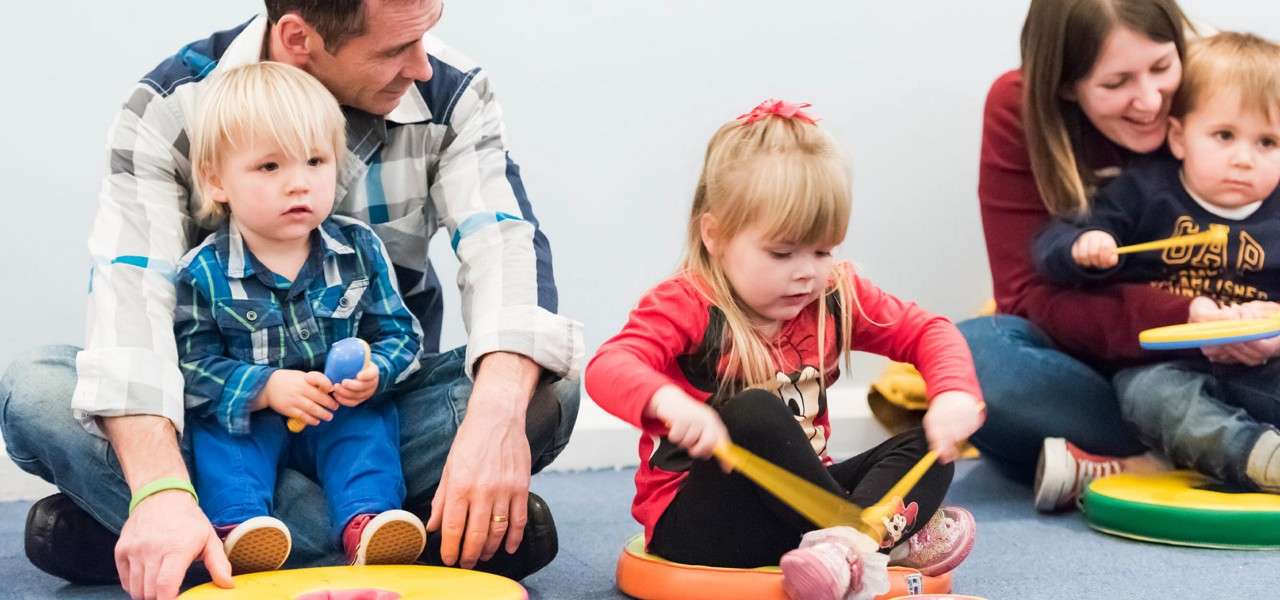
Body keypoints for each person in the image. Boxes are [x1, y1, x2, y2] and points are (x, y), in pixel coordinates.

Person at [0, 1, 583, 597]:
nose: (424, 67)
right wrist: (159, 487)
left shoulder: (451, 93)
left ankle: (176, 544)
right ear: (299, 37)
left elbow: (504, 244)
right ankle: (407, 543)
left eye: (427, 37)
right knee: (35, 390)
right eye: (392, 51)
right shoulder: (170, 109)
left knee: (546, 384)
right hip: (220, 421)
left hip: (365, 416)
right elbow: (130, 298)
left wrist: (493, 420)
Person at [584, 100, 984, 600]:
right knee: (753, 411)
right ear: (716, 235)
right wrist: (668, 404)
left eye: (823, 250)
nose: (807, 272)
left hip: (804, 517)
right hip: (705, 522)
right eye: (782, 252)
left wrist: (952, 395)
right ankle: (873, 539)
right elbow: (608, 366)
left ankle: (846, 547)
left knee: (930, 446)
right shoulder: (687, 303)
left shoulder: (835, 295)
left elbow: (929, 331)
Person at [960, 0, 1280, 495]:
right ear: (1067, 85)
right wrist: (1184, 318)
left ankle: (1141, 463)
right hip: (1129, 371)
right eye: (1116, 84)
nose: (1151, 101)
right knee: (972, 358)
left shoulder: (1228, 81)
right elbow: (1028, 293)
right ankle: (1195, 452)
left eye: (1162, 67)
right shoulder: (1028, 114)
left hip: (1255, 361)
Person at [177, 61, 430, 572]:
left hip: (336, 410)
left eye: (315, 161)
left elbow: (400, 332)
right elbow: (190, 367)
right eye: (270, 168)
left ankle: (367, 523)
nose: (299, 184)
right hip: (252, 415)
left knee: (367, 432)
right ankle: (240, 528)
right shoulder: (202, 272)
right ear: (216, 181)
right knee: (221, 443)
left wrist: (375, 371)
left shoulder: (358, 249)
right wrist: (265, 388)